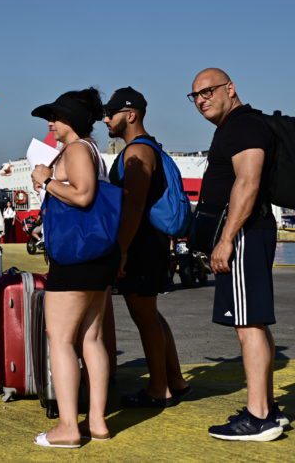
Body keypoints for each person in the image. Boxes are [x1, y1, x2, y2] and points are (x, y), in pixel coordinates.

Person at [189, 68, 286, 441]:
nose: (201, 100)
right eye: (195, 95)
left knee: (247, 326)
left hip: (244, 234)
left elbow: (248, 181)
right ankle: (268, 408)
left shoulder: (243, 126)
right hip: (247, 233)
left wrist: (227, 238)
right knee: (254, 322)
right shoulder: (236, 126)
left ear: (230, 89)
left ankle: (258, 416)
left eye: (208, 91)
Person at [30, 88, 118, 448]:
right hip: (97, 257)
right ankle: (96, 421)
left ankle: (68, 426)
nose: (51, 122)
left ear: (74, 121)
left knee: (61, 339)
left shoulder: (78, 149)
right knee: (91, 339)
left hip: (76, 260)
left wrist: (45, 181)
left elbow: (83, 195)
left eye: (56, 116)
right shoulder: (90, 150)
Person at [103, 87, 190, 408]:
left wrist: (122, 249)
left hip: (141, 245)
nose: (106, 119)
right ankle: (175, 380)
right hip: (152, 242)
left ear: (131, 115)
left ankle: (158, 389)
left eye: (111, 113)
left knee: (145, 317)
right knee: (150, 314)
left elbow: (134, 205)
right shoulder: (149, 147)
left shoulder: (137, 153)